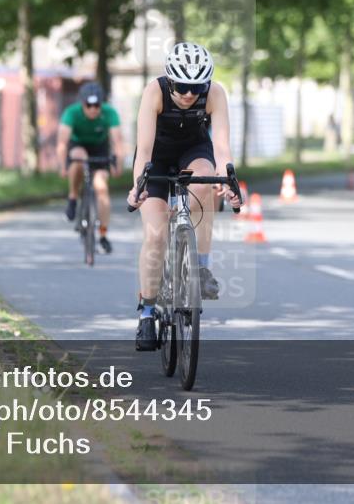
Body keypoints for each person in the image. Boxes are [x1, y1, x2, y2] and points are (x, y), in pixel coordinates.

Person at [127, 42, 242, 350]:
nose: (190, 94)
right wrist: (138, 187)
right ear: (170, 80)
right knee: (155, 235)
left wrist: (228, 182)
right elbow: (144, 151)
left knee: (206, 184)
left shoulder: (215, 94)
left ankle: (200, 268)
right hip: (157, 156)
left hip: (194, 151)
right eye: (182, 86)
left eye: (197, 87)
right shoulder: (154, 92)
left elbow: (222, 149)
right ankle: (147, 313)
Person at [56, 82, 124, 254]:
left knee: (101, 187)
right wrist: (63, 166)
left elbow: (118, 142)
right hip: (78, 145)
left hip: (100, 148)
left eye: (97, 105)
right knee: (78, 158)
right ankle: (73, 197)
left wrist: (118, 165)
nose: (93, 109)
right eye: (89, 105)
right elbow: (62, 143)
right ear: (82, 104)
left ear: (101, 104)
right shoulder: (71, 113)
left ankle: (103, 235)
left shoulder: (110, 113)